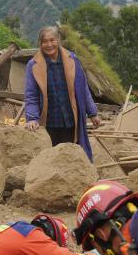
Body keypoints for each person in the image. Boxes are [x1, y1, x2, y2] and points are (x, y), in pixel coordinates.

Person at [23, 25, 101, 160]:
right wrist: (32, 118)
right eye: (45, 41)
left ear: (58, 40)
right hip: (49, 121)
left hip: (71, 118)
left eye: (52, 40)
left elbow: (83, 89)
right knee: (51, 158)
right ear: (40, 44)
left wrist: (92, 113)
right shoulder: (33, 65)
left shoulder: (72, 59)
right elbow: (31, 94)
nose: (49, 44)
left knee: (71, 156)